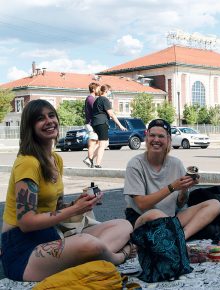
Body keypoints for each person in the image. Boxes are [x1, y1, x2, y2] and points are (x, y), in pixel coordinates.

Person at [1, 100, 135, 282]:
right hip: (24, 250)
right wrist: (74, 210)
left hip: (51, 236)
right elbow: (26, 222)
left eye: (51, 115)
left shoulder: (55, 159)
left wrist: (78, 203)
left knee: (124, 225)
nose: (49, 121)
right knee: (87, 244)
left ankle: (94, 254)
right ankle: (119, 256)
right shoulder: (28, 162)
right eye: (40, 118)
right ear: (30, 127)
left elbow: (55, 208)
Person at [123, 119, 220, 239]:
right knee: (155, 214)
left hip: (171, 218)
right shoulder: (135, 164)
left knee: (215, 204)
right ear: (147, 138)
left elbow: (180, 204)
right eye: (152, 135)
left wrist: (185, 188)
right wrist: (173, 187)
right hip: (143, 218)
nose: (156, 140)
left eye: (161, 136)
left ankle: (181, 237)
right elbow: (142, 204)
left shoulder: (176, 164)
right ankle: (174, 234)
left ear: (169, 140)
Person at [91, 84, 127, 168]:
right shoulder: (105, 99)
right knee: (102, 144)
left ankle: (90, 158)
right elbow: (111, 114)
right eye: (110, 90)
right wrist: (120, 125)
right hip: (102, 123)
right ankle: (97, 164)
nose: (111, 92)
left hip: (96, 123)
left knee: (105, 143)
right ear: (106, 91)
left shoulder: (97, 100)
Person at [83, 82, 100, 168]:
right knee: (93, 143)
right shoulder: (91, 99)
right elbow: (96, 110)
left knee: (99, 143)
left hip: (92, 124)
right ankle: (89, 159)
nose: (99, 90)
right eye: (98, 88)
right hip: (91, 124)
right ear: (93, 89)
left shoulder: (91, 98)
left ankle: (89, 159)